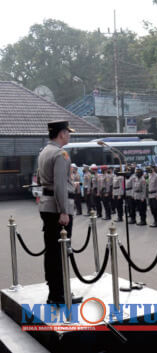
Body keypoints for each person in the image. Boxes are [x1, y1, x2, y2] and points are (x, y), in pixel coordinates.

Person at [37, 120, 82, 304]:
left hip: (46, 206)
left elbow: (43, 180)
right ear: (61, 133)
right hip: (58, 209)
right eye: (67, 132)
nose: (69, 135)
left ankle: (54, 292)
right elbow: (60, 186)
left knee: (52, 251)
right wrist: (63, 211)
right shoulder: (60, 154)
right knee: (61, 252)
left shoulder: (44, 152)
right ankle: (60, 294)